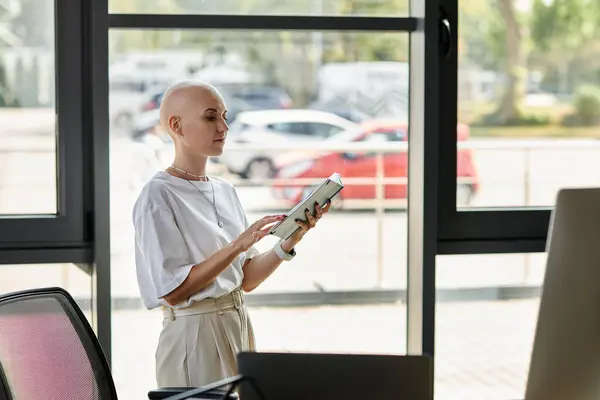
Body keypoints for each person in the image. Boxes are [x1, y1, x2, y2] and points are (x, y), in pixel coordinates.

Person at [132, 80, 331, 388]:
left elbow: (246, 279)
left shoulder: (225, 190)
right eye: (211, 117)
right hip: (192, 334)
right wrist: (238, 245)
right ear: (176, 125)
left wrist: (289, 240)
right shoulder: (157, 195)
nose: (224, 126)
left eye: (225, 116)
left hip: (237, 322)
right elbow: (172, 291)